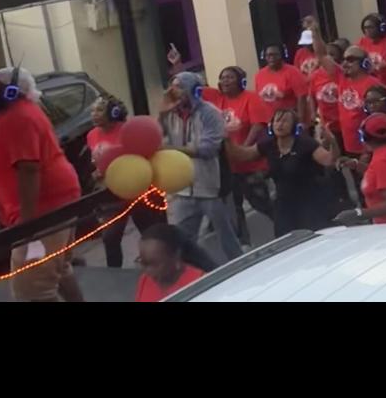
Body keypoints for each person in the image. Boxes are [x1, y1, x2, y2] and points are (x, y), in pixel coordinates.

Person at [0, 67, 85, 302]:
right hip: (54, 203)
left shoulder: (18, 118)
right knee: (58, 270)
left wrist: (28, 224)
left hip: (44, 209)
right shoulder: (10, 116)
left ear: (11, 90)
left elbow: (29, 169)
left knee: (32, 290)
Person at [160, 70, 243, 265]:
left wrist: (171, 149)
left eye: (180, 86)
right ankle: (202, 271)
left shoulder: (210, 113)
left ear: (195, 90)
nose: (174, 91)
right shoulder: (170, 115)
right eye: (172, 86)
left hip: (210, 187)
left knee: (228, 238)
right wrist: (162, 112)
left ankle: (242, 268)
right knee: (183, 241)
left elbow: (208, 149)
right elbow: (156, 138)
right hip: (183, 189)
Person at [226, 106, 340, 234]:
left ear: (294, 126)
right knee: (284, 238)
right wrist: (225, 137)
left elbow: (329, 160)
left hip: (309, 201)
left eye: (285, 121)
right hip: (283, 202)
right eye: (277, 121)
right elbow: (242, 155)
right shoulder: (269, 144)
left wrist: (333, 142)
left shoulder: (306, 144)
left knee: (313, 236)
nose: (280, 125)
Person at [87, 95, 167, 270]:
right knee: (110, 237)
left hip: (137, 190)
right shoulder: (91, 135)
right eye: (92, 110)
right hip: (112, 194)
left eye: (99, 110)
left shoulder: (128, 130)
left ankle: (159, 267)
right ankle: (114, 274)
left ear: (114, 112)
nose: (93, 114)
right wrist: (97, 172)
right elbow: (97, 160)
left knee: (149, 232)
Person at [208, 65, 273, 243]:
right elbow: (191, 89)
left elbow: (258, 125)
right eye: (223, 78)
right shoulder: (218, 100)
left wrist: (243, 149)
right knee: (234, 207)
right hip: (228, 165)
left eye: (230, 77)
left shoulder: (251, 98)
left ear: (240, 81)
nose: (225, 81)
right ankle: (244, 243)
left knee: (260, 202)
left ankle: (286, 225)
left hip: (249, 163)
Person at [134, 223, 206, 302]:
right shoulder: (145, 280)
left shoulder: (200, 284)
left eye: (154, 264)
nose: (147, 271)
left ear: (176, 257)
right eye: (144, 263)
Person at [332, 46, 379, 160]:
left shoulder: (373, 84)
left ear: (364, 63)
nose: (345, 63)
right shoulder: (342, 79)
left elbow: (379, 119)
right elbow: (322, 56)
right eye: (344, 60)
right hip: (349, 146)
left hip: (368, 149)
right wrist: (315, 32)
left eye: (351, 60)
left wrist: (368, 149)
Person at [255, 44, 313, 128]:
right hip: (271, 121)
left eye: (275, 55)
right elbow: (259, 99)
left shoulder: (293, 72)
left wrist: (300, 120)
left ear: (282, 55)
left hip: (290, 120)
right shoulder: (259, 75)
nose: (271, 58)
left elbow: (301, 97)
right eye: (268, 55)